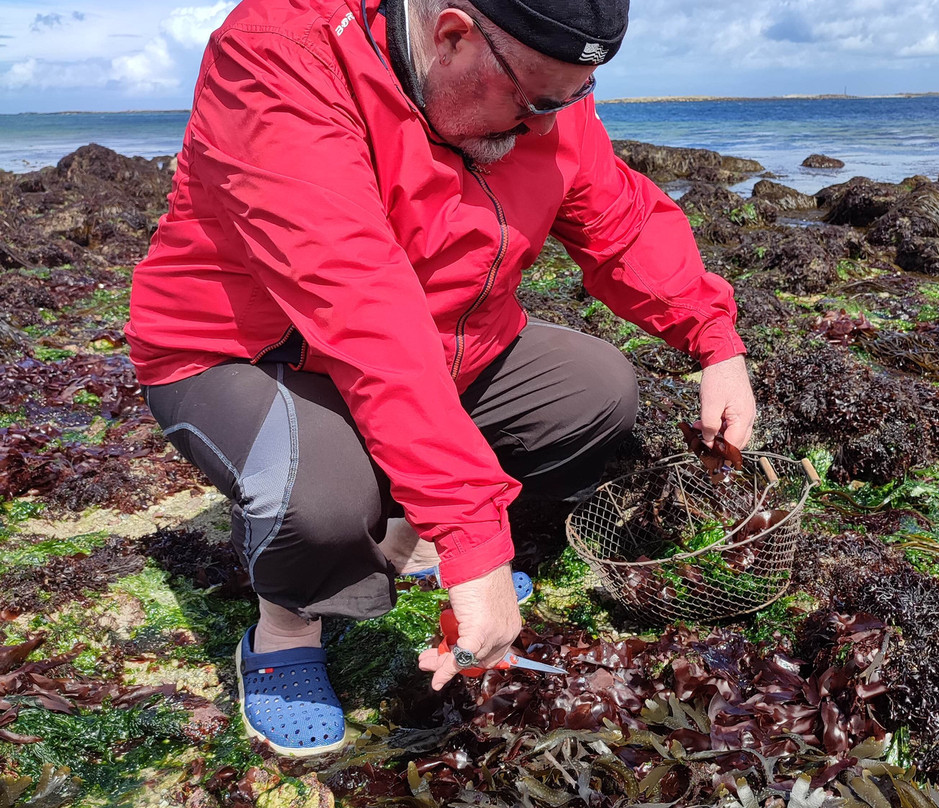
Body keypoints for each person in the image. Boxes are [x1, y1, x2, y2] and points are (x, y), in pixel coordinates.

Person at [125, 0, 756, 757]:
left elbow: (618, 218)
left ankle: (404, 544)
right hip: (251, 350)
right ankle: (285, 627)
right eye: (532, 100)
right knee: (321, 497)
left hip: (441, 349)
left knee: (598, 390)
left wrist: (714, 341)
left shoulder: (540, 95)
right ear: (452, 33)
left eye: (571, 98)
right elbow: (358, 306)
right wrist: (476, 539)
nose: (544, 125)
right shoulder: (278, 55)